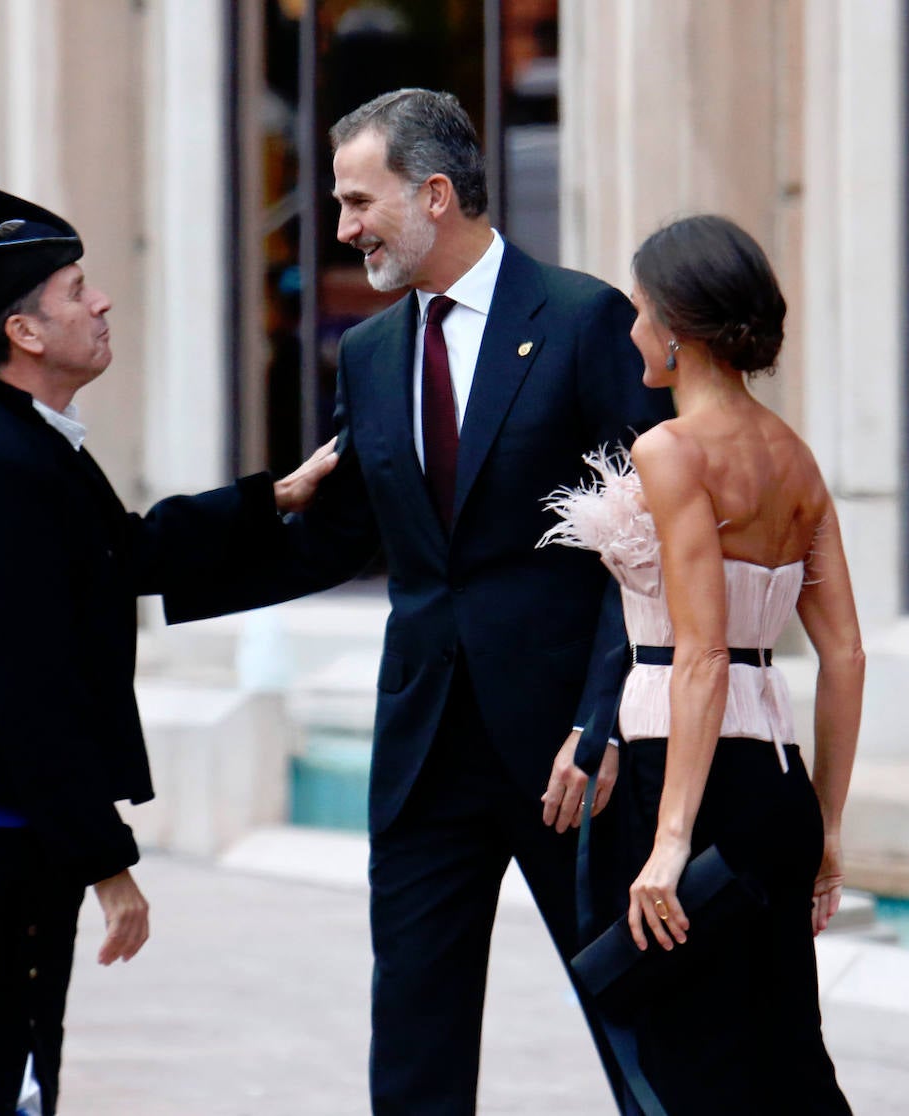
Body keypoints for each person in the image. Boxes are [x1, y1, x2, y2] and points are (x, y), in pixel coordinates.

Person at [164, 89, 672, 1114]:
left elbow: (652, 551)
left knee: (644, 1023)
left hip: (570, 756)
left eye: (359, 200)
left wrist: (600, 717)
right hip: (426, 749)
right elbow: (343, 536)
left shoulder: (583, 323)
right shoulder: (370, 352)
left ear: (435, 195)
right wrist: (137, 570)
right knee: (414, 1039)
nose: (344, 227)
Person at [0, 164, 333, 1116]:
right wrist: (107, 864)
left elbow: (116, 551)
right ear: (24, 331)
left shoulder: (20, 434)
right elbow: (30, 687)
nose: (103, 300)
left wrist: (268, 501)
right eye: (77, 290)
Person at [541, 213, 863, 1114]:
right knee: (788, 1058)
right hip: (777, 785)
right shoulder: (796, 459)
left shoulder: (670, 450)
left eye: (642, 309)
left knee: (691, 1064)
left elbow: (702, 653)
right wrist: (827, 824)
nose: (634, 327)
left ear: (677, 326)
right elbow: (845, 653)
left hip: (679, 776)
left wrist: (670, 840)